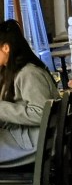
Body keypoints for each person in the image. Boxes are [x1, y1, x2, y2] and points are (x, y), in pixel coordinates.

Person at [0, 20, 59, 167]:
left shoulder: (29, 73)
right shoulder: (14, 71)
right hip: (30, 137)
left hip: (35, 143)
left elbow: (41, 113)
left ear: (6, 48)